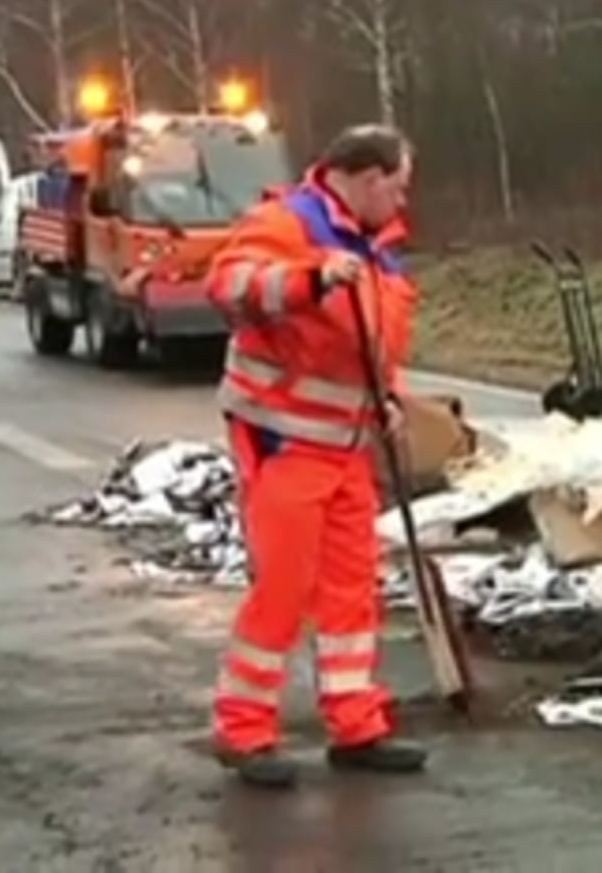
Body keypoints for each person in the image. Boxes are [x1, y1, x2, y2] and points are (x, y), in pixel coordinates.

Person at [202, 123, 424, 789]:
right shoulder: (288, 224)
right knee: (283, 588)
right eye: (399, 188)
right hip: (285, 438)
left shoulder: (376, 249)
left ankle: (356, 724)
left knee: (352, 591)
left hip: (347, 445)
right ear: (366, 179)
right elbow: (232, 286)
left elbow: (371, 345)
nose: (403, 203)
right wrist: (308, 280)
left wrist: (389, 397)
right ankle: (244, 732)